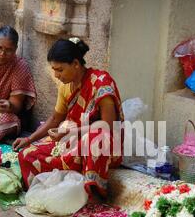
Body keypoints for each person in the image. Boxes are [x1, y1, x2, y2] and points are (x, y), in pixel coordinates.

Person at [14, 38, 124, 199]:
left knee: (94, 140)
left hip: (102, 145)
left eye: (60, 70)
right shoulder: (66, 86)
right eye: (54, 70)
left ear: (76, 64)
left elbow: (107, 127)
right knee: (27, 154)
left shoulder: (101, 84)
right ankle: (52, 194)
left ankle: (94, 195)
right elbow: (55, 118)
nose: (56, 75)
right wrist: (29, 139)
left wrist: (72, 133)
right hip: (72, 140)